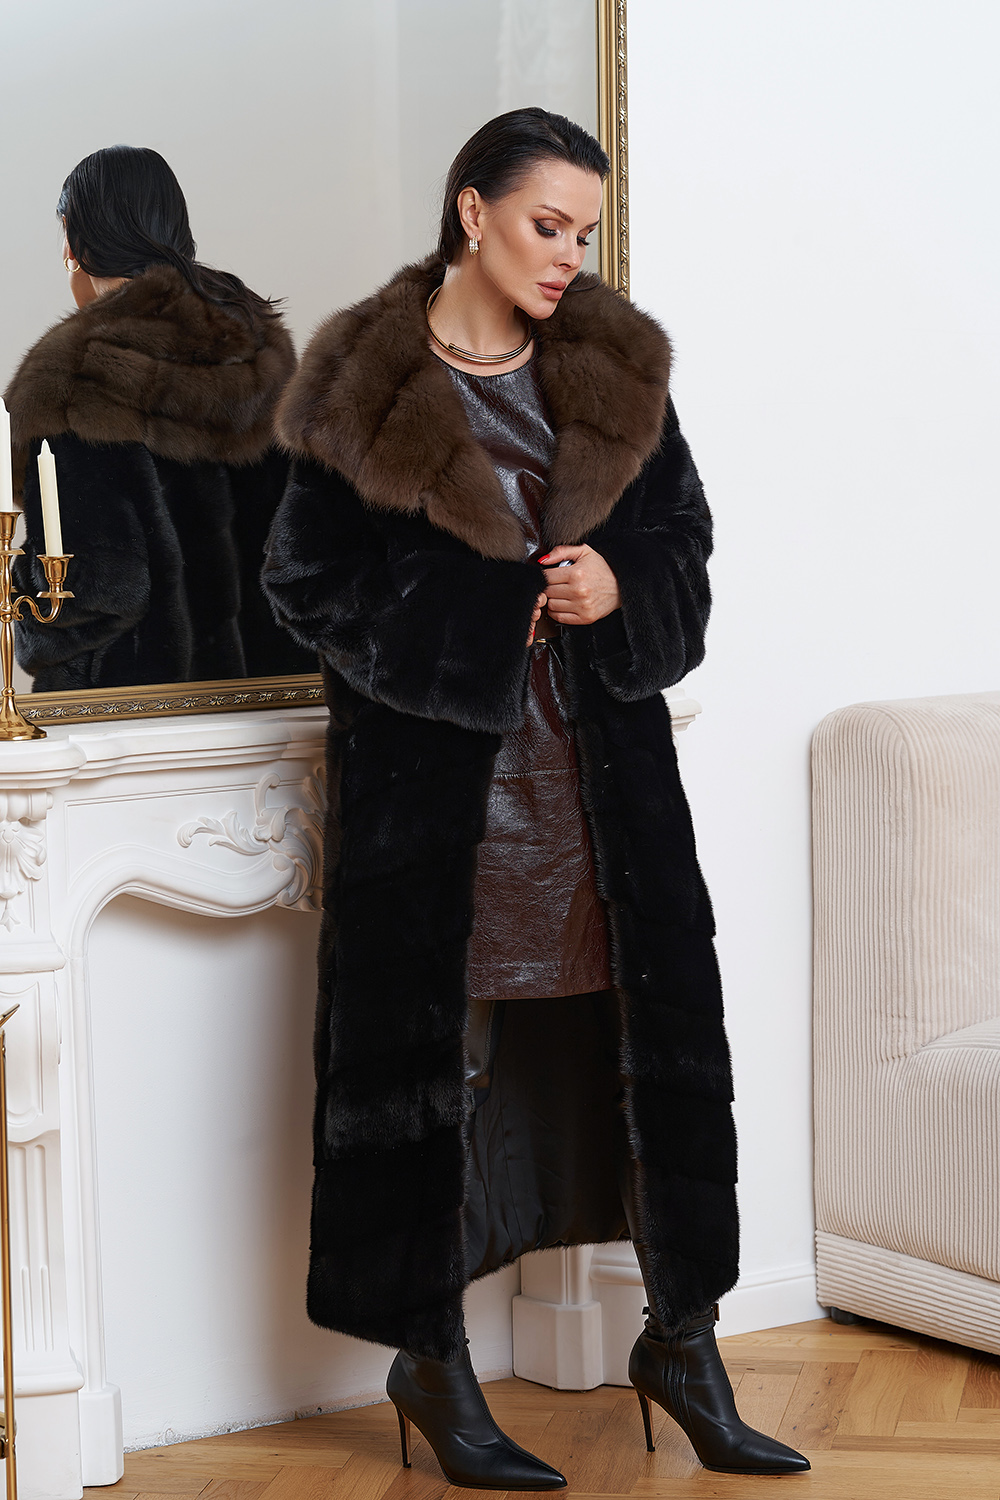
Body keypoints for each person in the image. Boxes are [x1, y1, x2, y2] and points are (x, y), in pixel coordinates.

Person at [263, 107, 809, 1486]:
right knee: (439, 1080)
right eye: (545, 224)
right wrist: (477, 615)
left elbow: (684, 545)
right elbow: (304, 584)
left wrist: (623, 585)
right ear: (473, 211)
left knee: (645, 1063)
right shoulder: (359, 386)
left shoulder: (616, 371)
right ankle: (431, 1361)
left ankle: (681, 1345)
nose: (568, 255)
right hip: (441, 812)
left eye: (584, 232)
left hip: (601, 791)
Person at [4, 145, 314, 691]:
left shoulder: (72, 374)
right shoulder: (260, 348)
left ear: (75, 245)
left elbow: (94, 587)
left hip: (134, 710)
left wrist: (22, 601)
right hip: (272, 700)